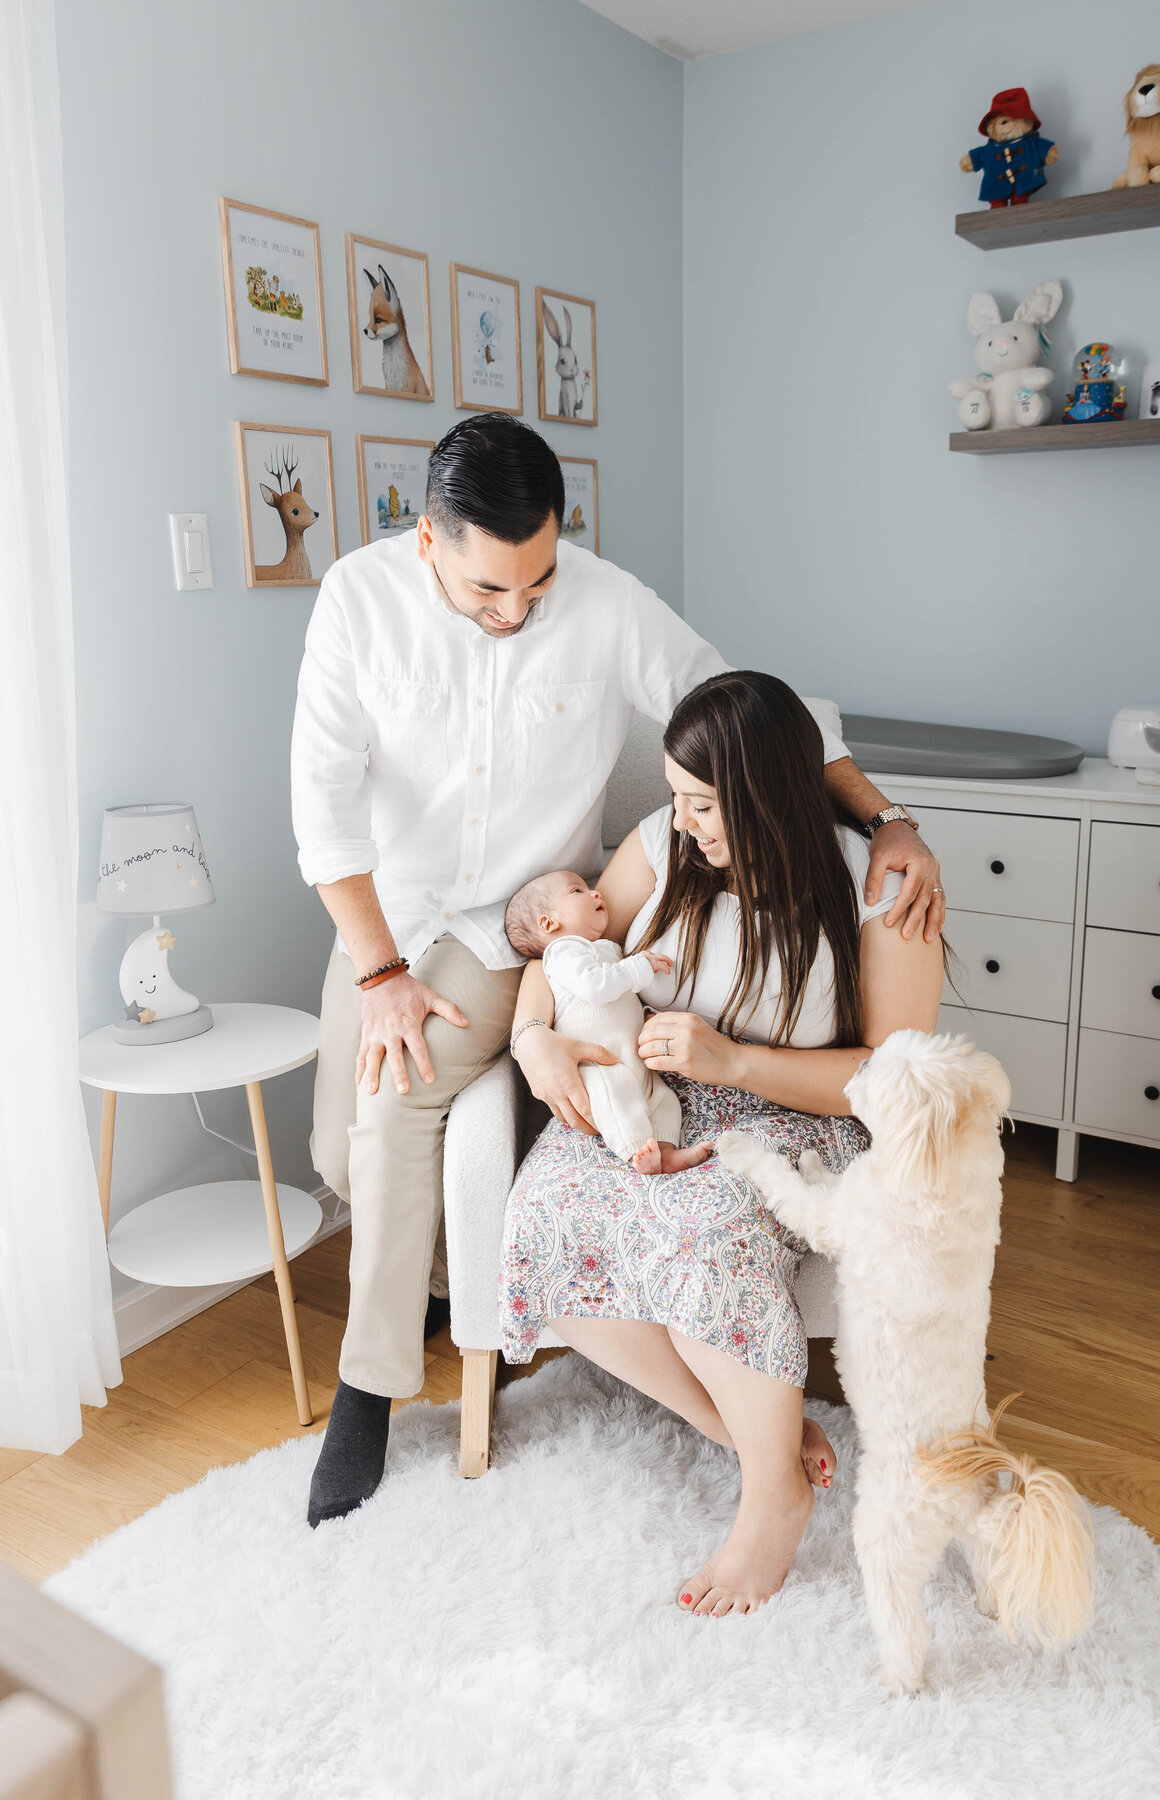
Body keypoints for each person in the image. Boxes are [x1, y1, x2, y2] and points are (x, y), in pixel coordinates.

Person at [290, 414, 944, 1528]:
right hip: (387, 918)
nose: (517, 610)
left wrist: (887, 818)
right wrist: (378, 973)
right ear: (428, 542)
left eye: (536, 581)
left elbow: (756, 712)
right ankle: (446, 1284)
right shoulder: (355, 602)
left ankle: (369, 1389)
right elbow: (325, 808)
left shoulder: (601, 600)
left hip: (520, 921)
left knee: (395, 1103)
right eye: (489, 590)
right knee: (336, 1155)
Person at [500, 671, 945, 1616]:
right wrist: (532, 1037)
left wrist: (736, 1063)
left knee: (706, 1241)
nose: (681, 820)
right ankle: (765, 1455)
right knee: (543, 1222)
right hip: (650, 1101)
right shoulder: (664, 846)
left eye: (703, 803)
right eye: (675, 796)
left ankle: (768, 1508)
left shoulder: (874, 887)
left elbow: (891, 1078)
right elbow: (562, 956)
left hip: (790, 1111)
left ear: (763, 795)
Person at [504, 869, 711, 1176]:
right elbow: (595, 987)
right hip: (598, 1063)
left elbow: (622, 998)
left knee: (663, 1099)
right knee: (617, 1095)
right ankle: (635, 1150)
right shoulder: (562, 953)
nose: (595, 893)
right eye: (577, 891)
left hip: (631, 1054)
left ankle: (666, 1152)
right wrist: (639, 967)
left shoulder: (605, 949)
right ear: (549, 923)